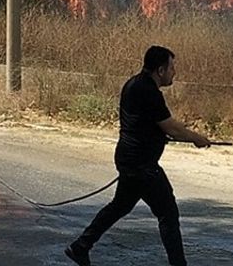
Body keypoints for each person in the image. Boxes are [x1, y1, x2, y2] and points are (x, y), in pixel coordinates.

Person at [65, 46, 211, 266]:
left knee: (120, 206)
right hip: (142, 164)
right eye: (172, 68)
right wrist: (196, 137)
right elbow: (171, 128)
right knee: (168, 213)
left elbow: (148, 126)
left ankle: (80, 246)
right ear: (160, 70)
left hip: (130, 158)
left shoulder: (134, 83)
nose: (174, 73)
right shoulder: (149, 92)